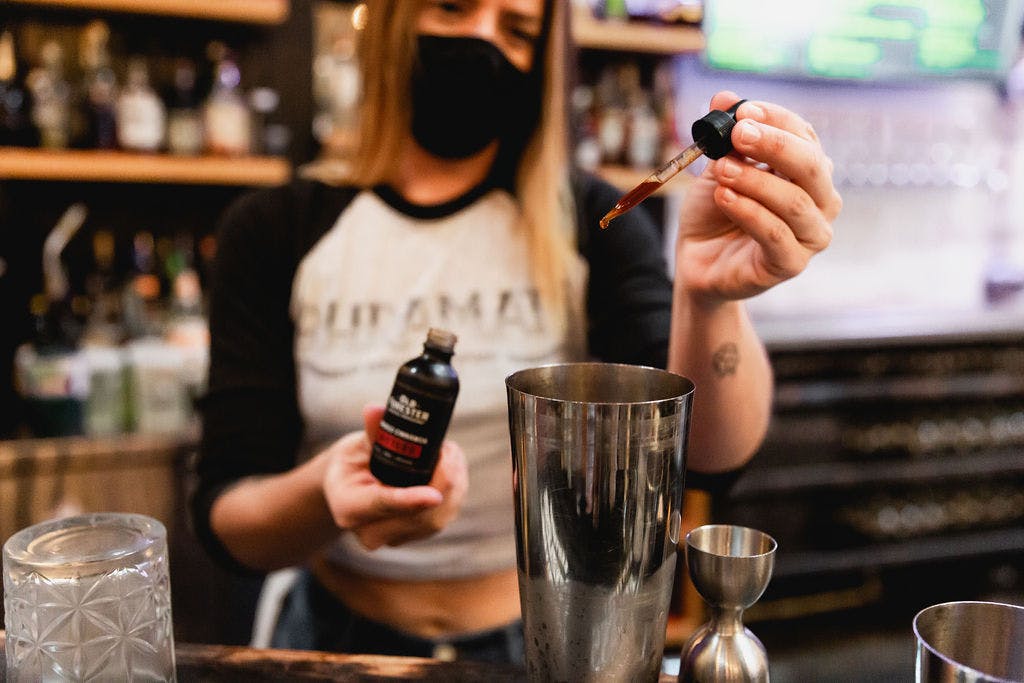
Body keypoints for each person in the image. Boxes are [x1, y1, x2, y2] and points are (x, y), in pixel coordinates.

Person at [190, 0, 842, 665]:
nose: (480, 38)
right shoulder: (273, 229)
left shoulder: (593, 219)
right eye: (452, 7)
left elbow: (707, 452)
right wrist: (324, 493)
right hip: (335, 644)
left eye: (518, 29)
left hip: (542, 643)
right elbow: (231, 524)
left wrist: (711, 298)